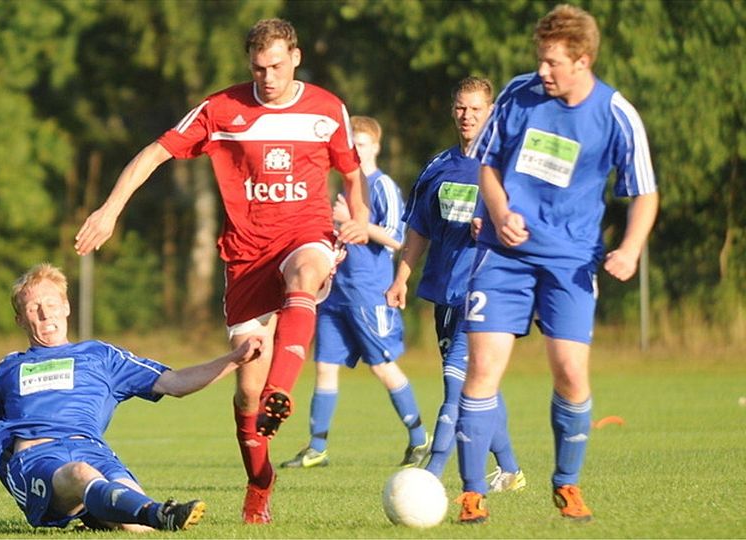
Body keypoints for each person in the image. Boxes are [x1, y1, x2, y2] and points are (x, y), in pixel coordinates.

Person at [73, 18, 370, 524]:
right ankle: (260, 484)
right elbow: (155, 152)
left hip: (306, 234)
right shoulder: (222, 109)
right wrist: (109, 209)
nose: (268, 77)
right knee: (246, 391)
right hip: (246, 256)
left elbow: (351, 170)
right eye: (258, 68)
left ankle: (284, 387)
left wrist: (359, 214)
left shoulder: (326, 109)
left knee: (305, 275)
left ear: (295, 57)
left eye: (277, 66)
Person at [0, 263, 264, 533]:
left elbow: (174, 382)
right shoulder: (8, 370)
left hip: (94, 451)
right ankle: (158, 512)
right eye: (32, 308)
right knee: (84, 479)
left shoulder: (101, 356)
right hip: (37, 459)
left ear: (67, 307)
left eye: (51, 304)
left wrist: (234, 358)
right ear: (20, 318)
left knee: (132, 526)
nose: (44, 314)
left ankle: (114, 513)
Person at [454, 4, 658, 524]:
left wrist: (630, 249)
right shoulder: (519, 94)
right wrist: (499, 213)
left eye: (552, 62)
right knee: (482, 368)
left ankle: (567, 485)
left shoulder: (615, 114)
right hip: (503, 257)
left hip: (570, 262)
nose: (541, 71)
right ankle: (473, 493)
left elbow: (644, 193)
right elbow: (487, 165)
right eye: (539, 60)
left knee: (570, 372)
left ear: (582, 60)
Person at [385, 77, 525, 491]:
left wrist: (497, 226)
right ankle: (511, 469)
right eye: (461, 108)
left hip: (488, 289)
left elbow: (529, 224)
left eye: (476, 109)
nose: (467, 117)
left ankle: (431, 476)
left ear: (491, 111)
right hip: (445, 292)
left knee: (456, 384)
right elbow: (418, 229)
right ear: (453, 111)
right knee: (480, 382)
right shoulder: (438, 167)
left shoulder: (508, 167)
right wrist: (401, 278)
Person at [281, 116, 428, 470]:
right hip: (335, 293)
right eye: (351, 146)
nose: (356, 151)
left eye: (362, 145)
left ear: (375, 146)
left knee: (382, 366)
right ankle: (317, 448)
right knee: (325, 368)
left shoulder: (382, 187)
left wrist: (355, 221)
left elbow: (397, 238)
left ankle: (420, 439)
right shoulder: (343, 189)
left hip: (368, 291)